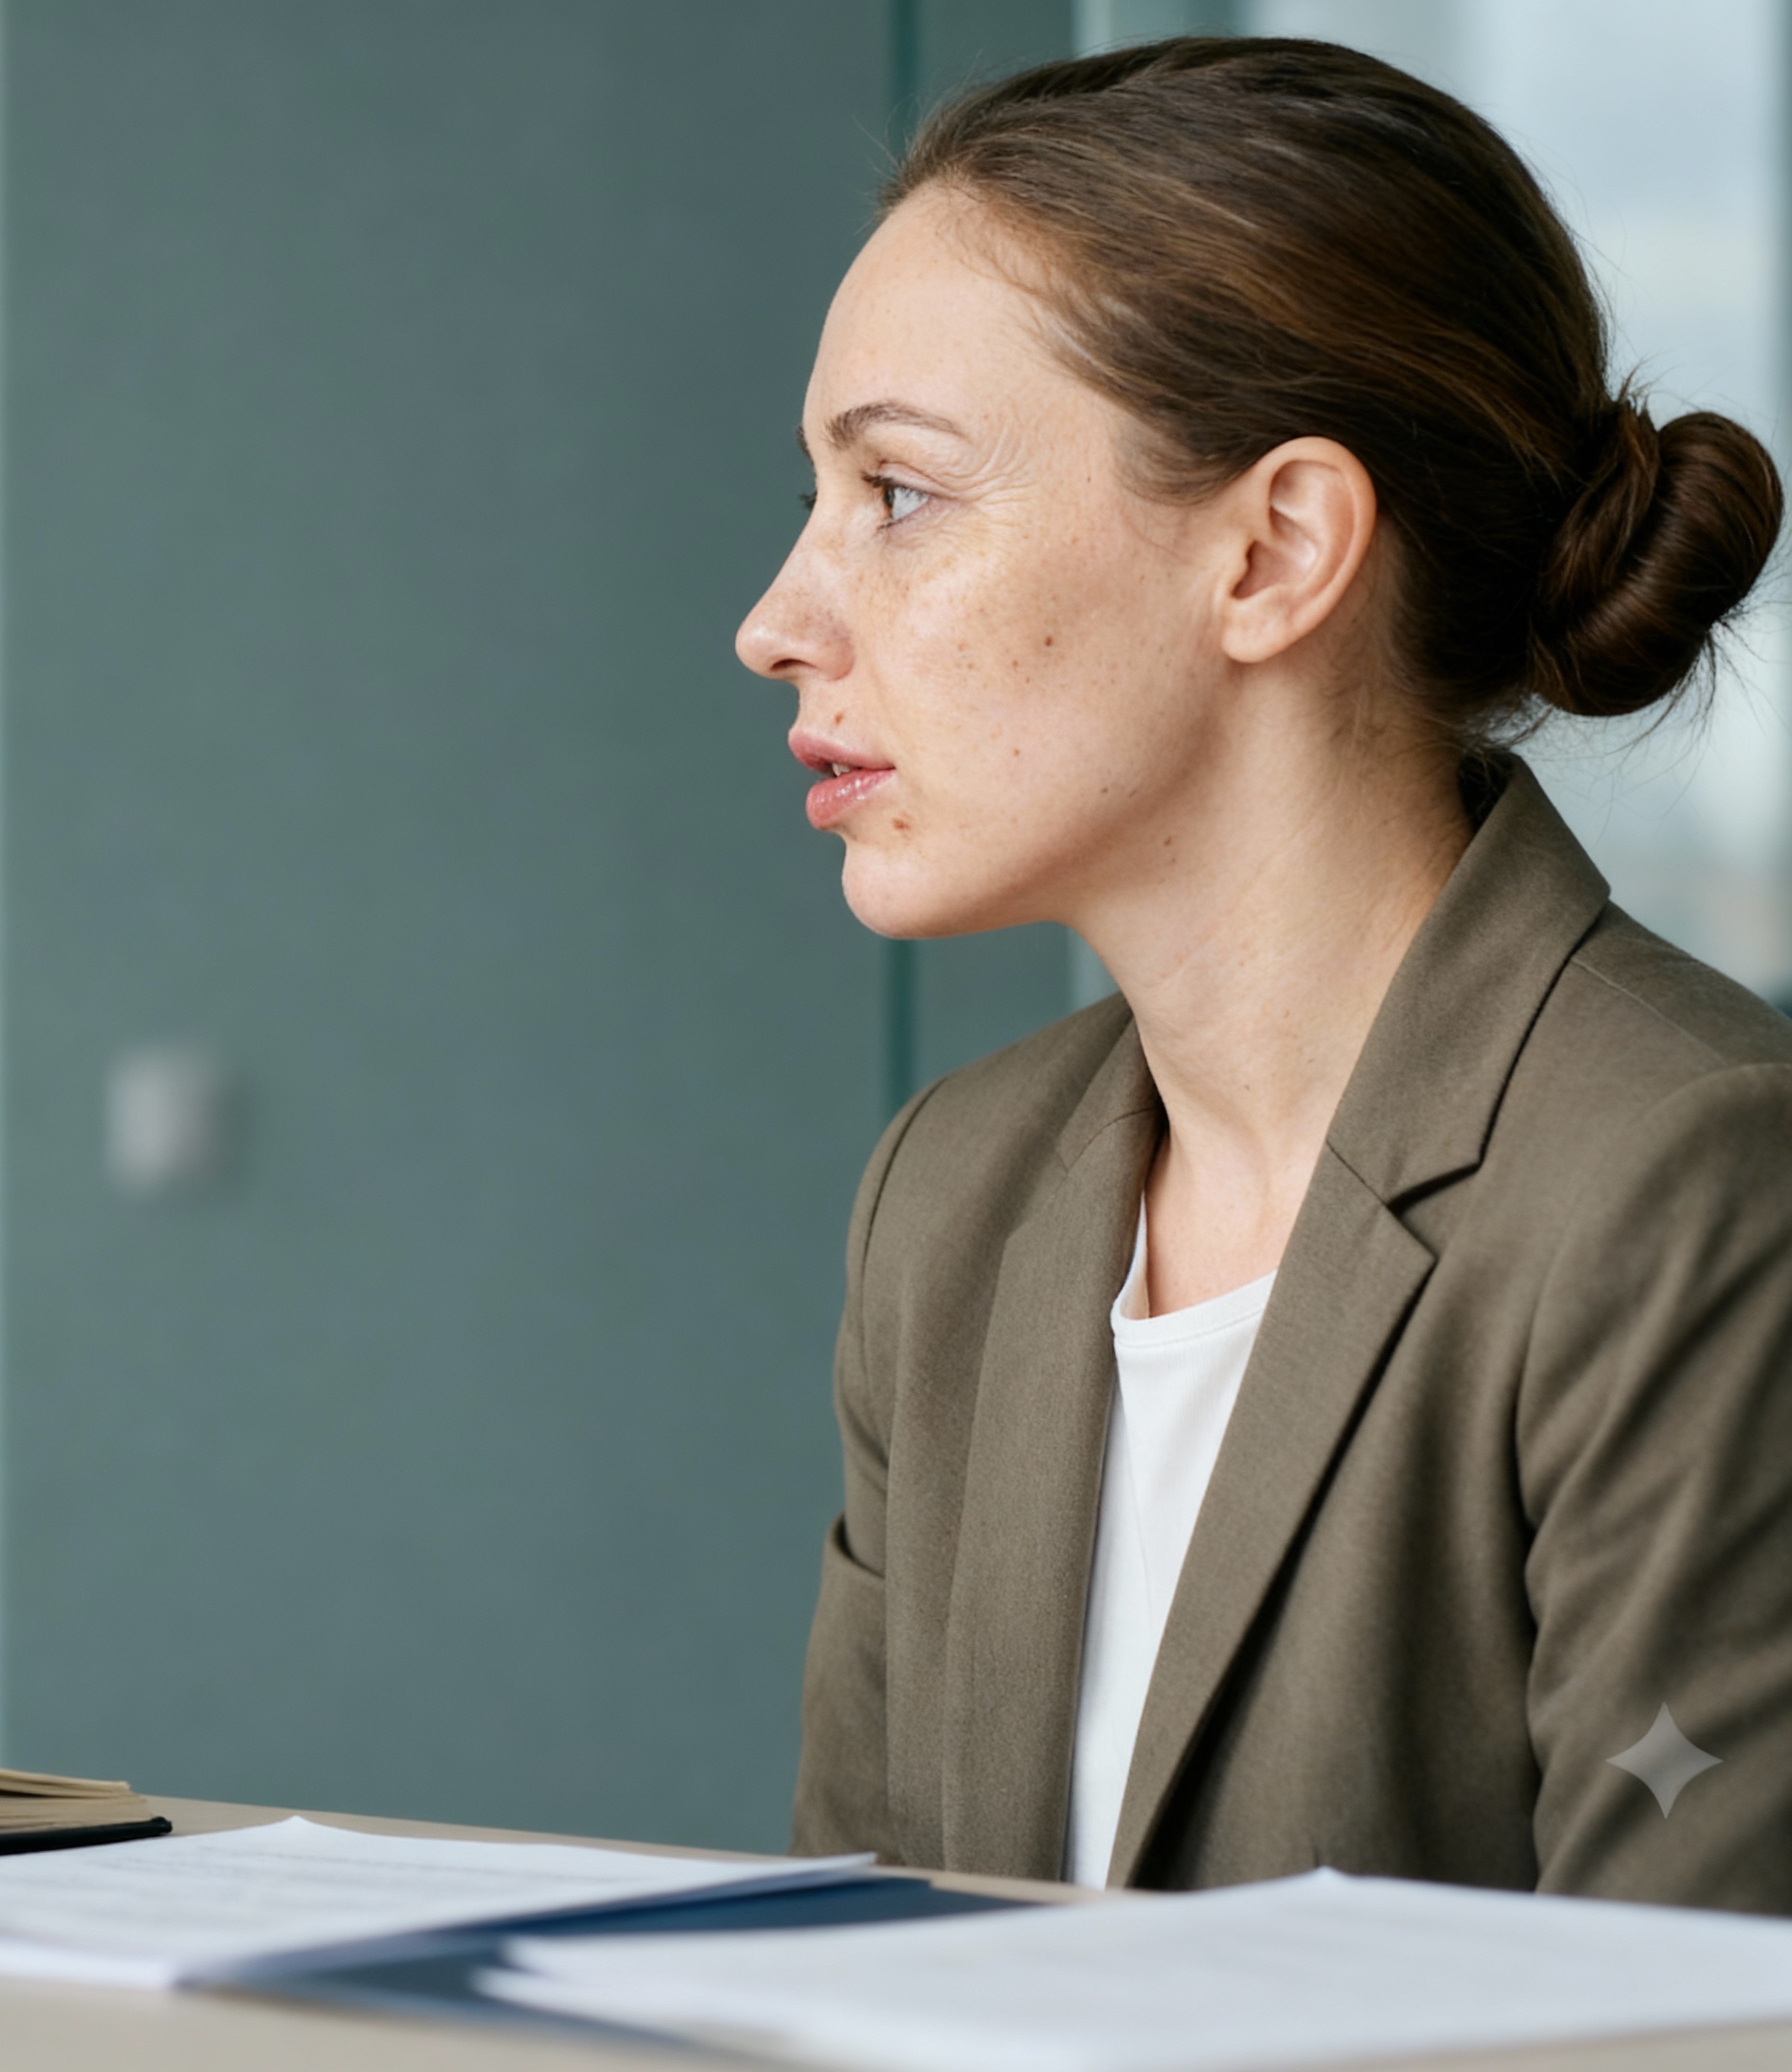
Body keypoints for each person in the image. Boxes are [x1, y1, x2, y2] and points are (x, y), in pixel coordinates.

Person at [745, 37, 1792, 1911]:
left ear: (1277, 549)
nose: (777, 622)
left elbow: (1695, 2022)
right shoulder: (951, 1199)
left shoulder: (1689, 1181)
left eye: (895, 495)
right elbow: (843, 1974)